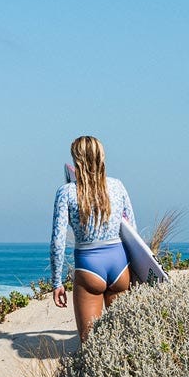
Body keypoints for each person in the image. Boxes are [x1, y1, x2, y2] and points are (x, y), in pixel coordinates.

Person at [49, 135, 135, 342]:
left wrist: (56, 282)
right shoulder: (117, 186)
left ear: (76, 159)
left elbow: (57, 242)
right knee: (121, 341)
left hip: (89, 267)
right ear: (102, 157)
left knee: (91, 344)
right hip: (120, 265)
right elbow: (132, 230)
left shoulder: (67, 192)